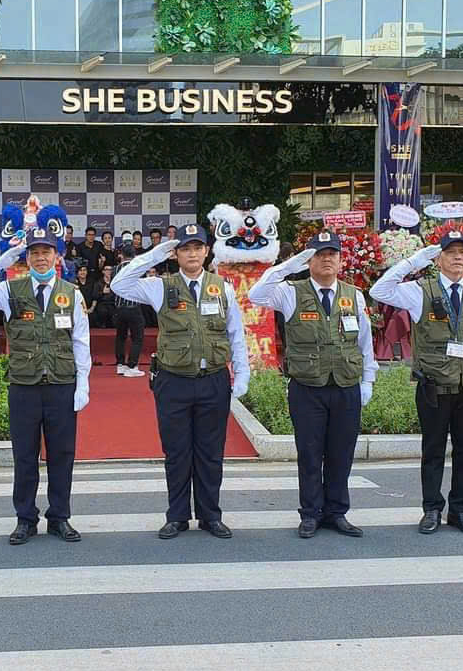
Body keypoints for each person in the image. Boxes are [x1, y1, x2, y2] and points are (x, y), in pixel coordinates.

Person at [112, 224, 250, 540]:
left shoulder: (222, 288)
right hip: (173, 381)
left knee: (210, 452)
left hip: (212, 379)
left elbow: (235, 334)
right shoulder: (161, 286)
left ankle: (210, 515)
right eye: (185, 248)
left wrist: (242, 374)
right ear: (176, 254)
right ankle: (177, 516)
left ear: (206, 251)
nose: (192, 254)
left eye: (197, 247)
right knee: (177, 452)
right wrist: (154, 255)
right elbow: (120, 285)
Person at [0, 227, 91, 546]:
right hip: (24, 385)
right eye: (34, 252)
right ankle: (25, 518)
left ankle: (59, 517)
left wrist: (83, 384)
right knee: (24, 456)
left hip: (61, 384)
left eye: (46, 251)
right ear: (27, 257)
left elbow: (81, 341)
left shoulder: (71, 293)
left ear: (56, 256)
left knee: (62, 455)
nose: (41, 257)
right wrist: (1, 261)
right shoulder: (11, 290)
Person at [248, 231, 378, 538]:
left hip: (345, 385)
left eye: (332, 254)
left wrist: (368, 380)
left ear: (341, 260)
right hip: (307, 387)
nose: (327, 259)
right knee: (309, 453)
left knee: (341, 453)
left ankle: (336, 512)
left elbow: (365, 342)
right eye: (319, 254)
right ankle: (310, 513)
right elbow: (256, 294)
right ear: (309, 260)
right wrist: (288, 266)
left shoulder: (353, 295)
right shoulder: (290, 292)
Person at [370, 230, 463, 536]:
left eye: (462, 252)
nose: (457, 257)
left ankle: (461, 510)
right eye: (450, 252)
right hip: (434, 385)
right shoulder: (419, 290)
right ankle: (431, 509)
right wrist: (414, 261)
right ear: (438, 258)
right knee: (434, 450)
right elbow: (380, 290)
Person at [114, 244, 146, 377]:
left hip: (119, 308)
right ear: (134, 255)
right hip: (133, 307)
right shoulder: (137, 268)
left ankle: (120, 365)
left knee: (120, 337)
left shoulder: (116, 269)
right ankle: (132, 366)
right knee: (137, 338)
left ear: (122, 255)